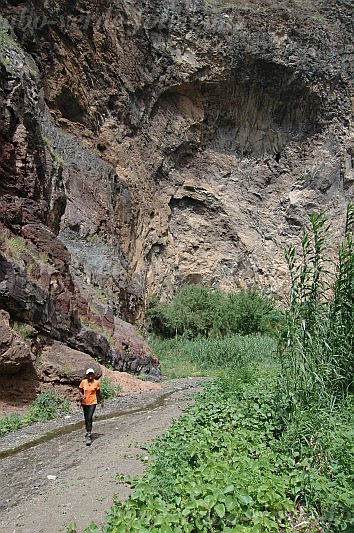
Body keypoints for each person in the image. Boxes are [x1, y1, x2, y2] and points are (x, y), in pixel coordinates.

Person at [79, 368, 104, 445]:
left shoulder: (96, 383)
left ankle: (89, 434)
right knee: (86, 418)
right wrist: (82, 396)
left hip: (93, 402)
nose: (90, 376)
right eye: (89, 374)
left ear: (93, 375)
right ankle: (87, 431)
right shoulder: (83, 382)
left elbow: (99, 392)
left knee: (89, 417)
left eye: (91, 374)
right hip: (85, 402)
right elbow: (80, 390)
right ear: (86, 375)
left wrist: (102, 400)